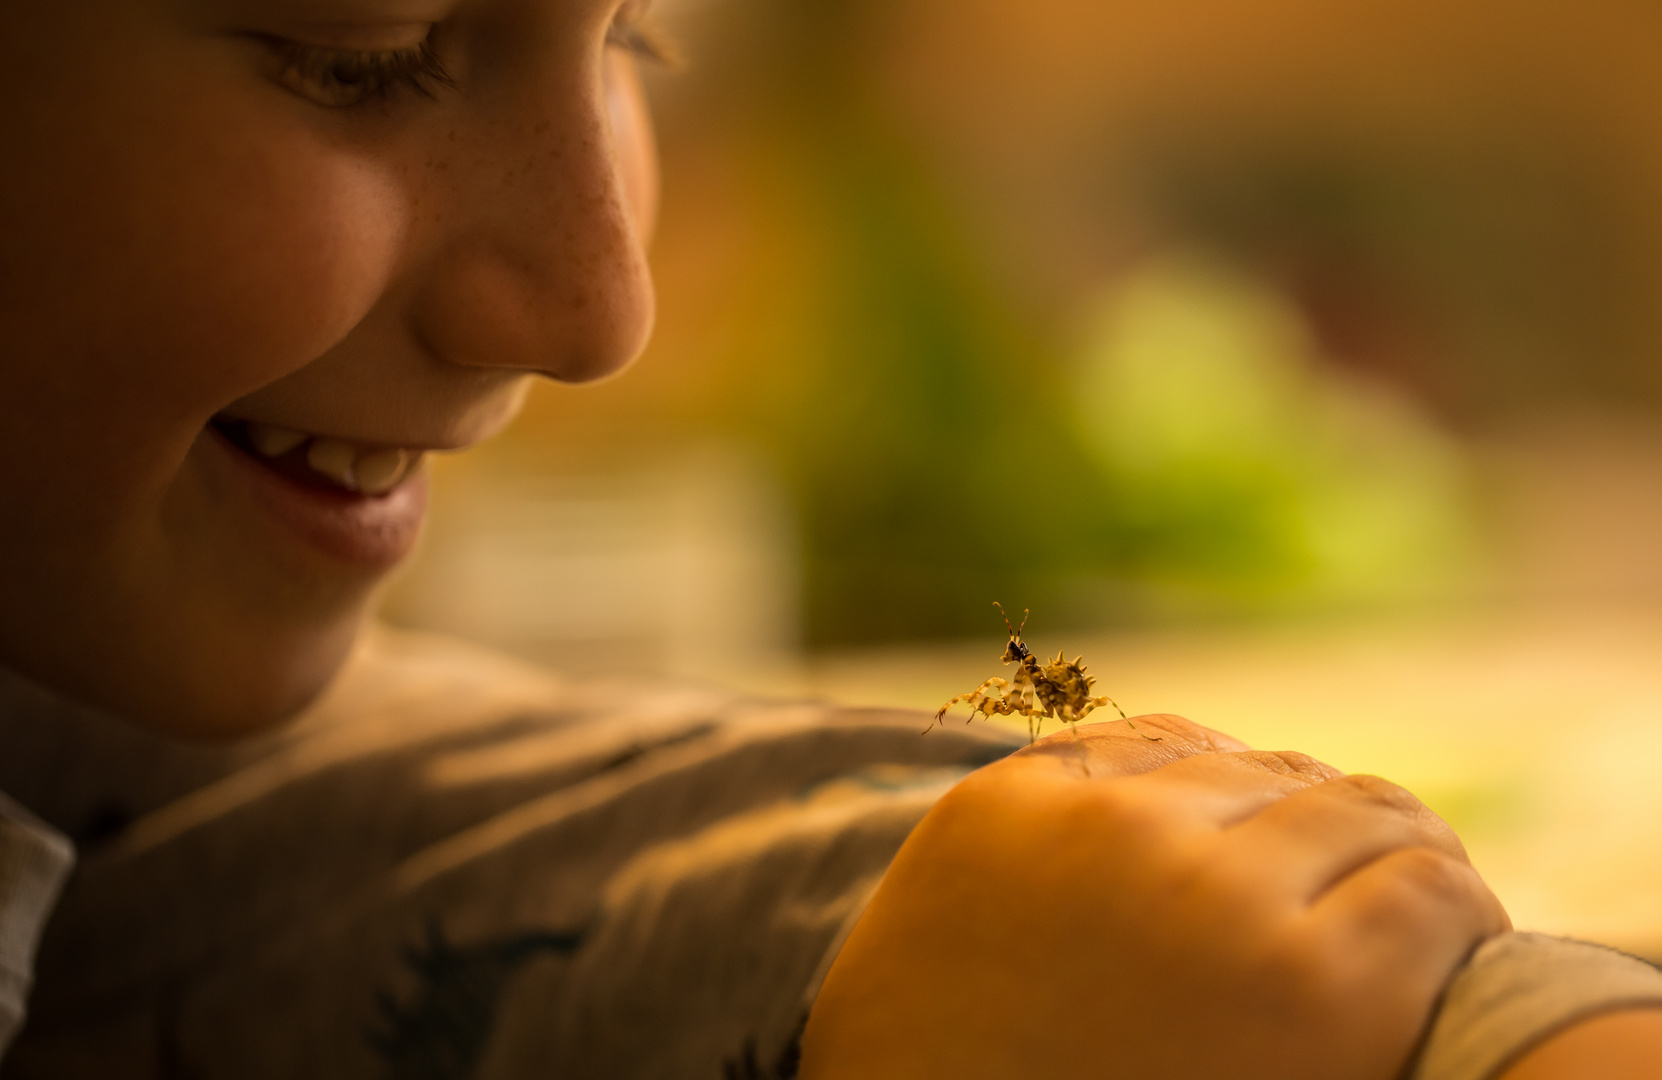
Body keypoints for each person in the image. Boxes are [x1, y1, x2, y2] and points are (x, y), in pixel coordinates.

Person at [0, 1, 1655, 1077]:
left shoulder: (88, 731)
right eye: (356, 52)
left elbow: (599, 841)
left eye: (635, 39)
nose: (598, 312)